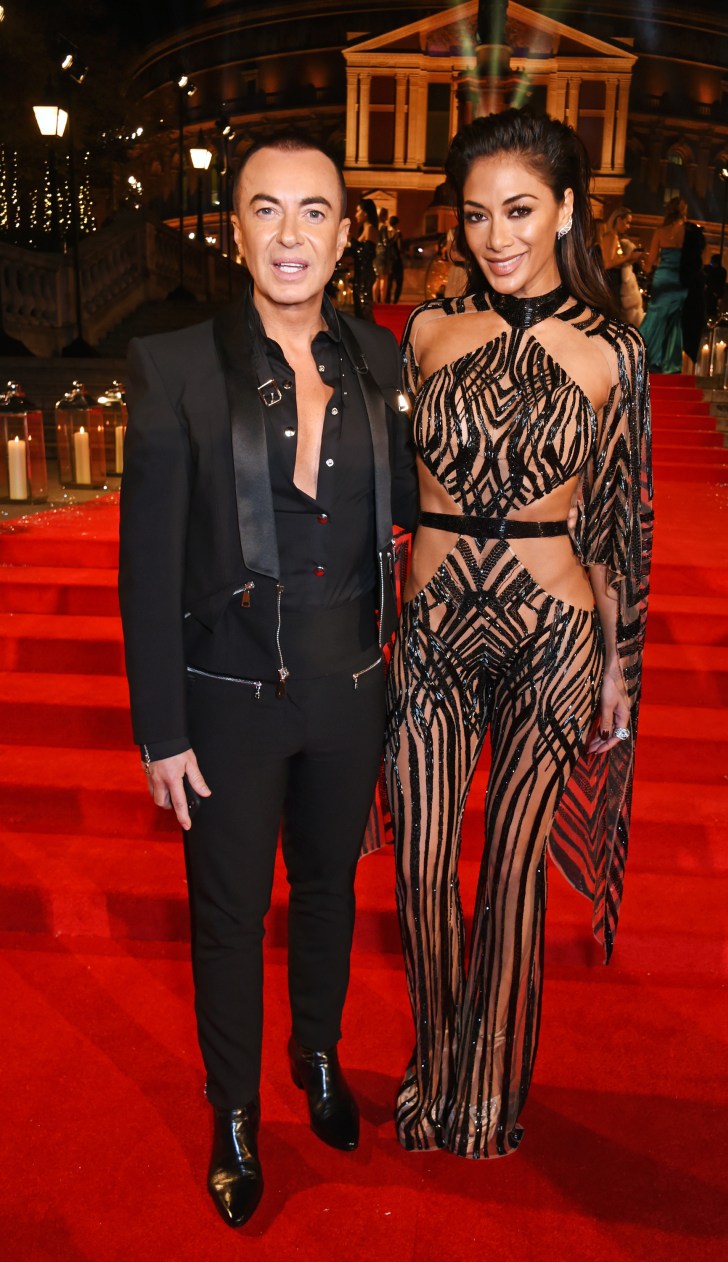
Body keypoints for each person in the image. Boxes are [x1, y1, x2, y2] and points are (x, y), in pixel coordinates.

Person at [118, 133, 417, 1228]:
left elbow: (418, 525)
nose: (291, 235)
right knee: (231, 914)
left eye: (313, 212)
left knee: (333, 891)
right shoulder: (174, 364)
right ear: (232, 225)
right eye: (266, 210)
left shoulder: (384, 361)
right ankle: (234, 1112)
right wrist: (160, 728)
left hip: (350, 687)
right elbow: (147, 560)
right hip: (226, 696)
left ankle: (320, 1057)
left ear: (346, 230)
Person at [385, 109, 653, 1160]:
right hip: (436, 627)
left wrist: (619, 669)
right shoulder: (425, 330)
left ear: (567, 211)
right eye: (479, 213)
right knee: (419, 863)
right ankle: (434, 1060)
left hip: (556, 635)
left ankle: (485, 1092)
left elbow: (617, 520)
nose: (497, 234)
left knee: (510, 873)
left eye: (522, 210)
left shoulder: (615, 353)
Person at [640, 195, 688, 373]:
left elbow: (651, 261)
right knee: (674, 321)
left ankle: (643, 354)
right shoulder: (688, 232)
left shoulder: (660, 232)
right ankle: (670, 363)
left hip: (663, 278)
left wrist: (643, 265)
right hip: (679, 280)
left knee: (654, 317)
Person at [601, 206, 644, 327]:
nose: (628, 226)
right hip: (612, 281)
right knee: (613, 315)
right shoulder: (611, 236)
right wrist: (630, 256)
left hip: (613, 280)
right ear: (619, 219)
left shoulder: (613, 236)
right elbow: (608, 262)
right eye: (627, 222)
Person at [679, 214, 707, 370]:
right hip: (693, 308)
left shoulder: (683, 264)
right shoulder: (696, 268)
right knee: (691, 340)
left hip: (684, 306)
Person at [351, 197, 378, 320]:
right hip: (360, 273)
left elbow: (366, 254)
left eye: (358, 211)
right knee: (360, 308)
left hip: (365, 275)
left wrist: (351, 241)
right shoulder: (365, 229)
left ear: (365, 213)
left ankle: (369, 336)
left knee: (364, 308)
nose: (356, 215)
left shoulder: (371, 229)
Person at [373, 206, 391, 304]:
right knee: (384, 278)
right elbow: (385, 241)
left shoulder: (376, 226)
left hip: (376, 253)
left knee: (377, 277)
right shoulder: (383, 227)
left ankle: (375, 299)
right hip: (383, 253)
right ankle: (382, 300)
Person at [703, 251, 728, 320]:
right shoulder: (721, 271)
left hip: (713, 293)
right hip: (712, 293)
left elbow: (721, 283)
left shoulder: (718, 271)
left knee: (711, 310)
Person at [386, 215, 404, 303]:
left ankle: (387, 301)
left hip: (388, 260)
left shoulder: (386, 233)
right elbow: (400, 247)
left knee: (389, 282)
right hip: (397, 260)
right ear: (397, 224)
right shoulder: (398, 233)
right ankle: (395, 301)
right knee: (399, 282)